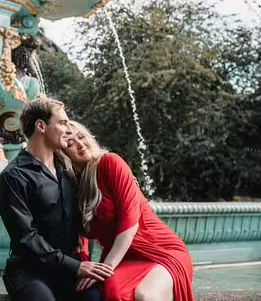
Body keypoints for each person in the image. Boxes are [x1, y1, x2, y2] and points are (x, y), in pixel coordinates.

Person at [59, 122, 195, 301]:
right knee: (115, 294)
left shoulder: (110, 162)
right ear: (63, 154)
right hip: (122, 258)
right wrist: (84, 266)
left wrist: (106, 267)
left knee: (145, 296)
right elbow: (78, 237)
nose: (80, 144)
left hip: (159, 250)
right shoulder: (72, 186)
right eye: (70, 144)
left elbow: (130, 221)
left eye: (81, 137)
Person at [0, 97, 113, 301]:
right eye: (62, 123)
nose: (68, 129)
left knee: (98, 298)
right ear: (41, 126)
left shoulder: (69, 169)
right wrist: (76, 267)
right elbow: (26, 239)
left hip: (71, 268)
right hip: (29, 271)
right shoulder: (13, 176)